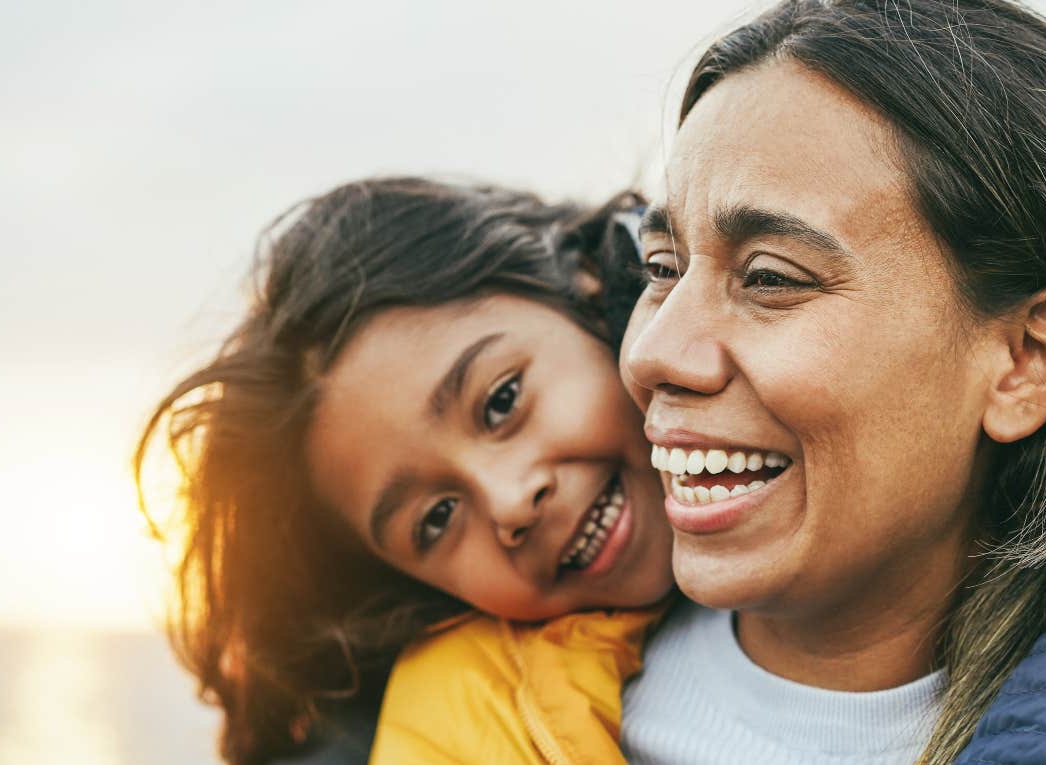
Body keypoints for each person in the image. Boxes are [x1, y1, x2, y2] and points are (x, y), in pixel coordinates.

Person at [366, 1, 1046, 764]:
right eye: (663, 266)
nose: (651, 356)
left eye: (769, 277)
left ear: (1028, 360)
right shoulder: (503, 727)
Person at [134, 176, 678, 764]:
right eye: (437, 519)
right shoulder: (447, 726)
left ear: (594, 282)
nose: (508, 501)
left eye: (500, 402)